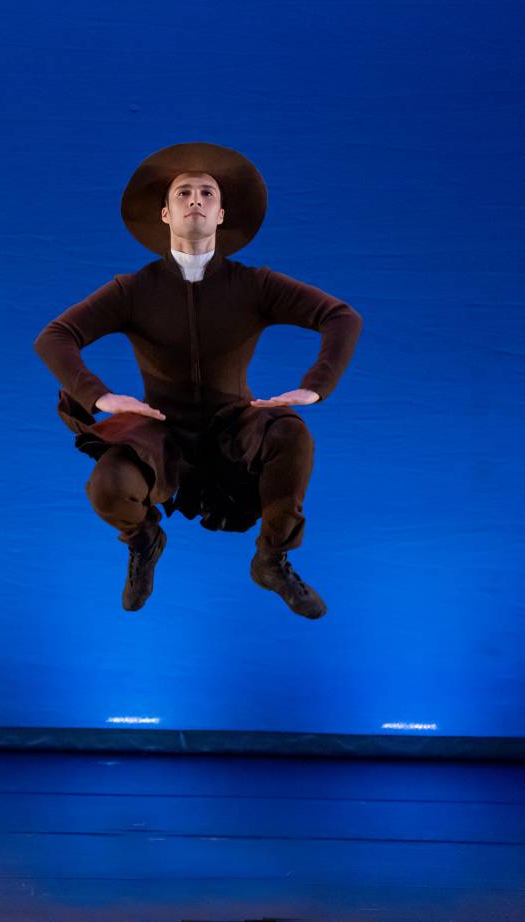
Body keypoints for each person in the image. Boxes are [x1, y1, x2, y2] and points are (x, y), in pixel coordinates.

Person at [34, 143, 362, 618]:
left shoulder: (254, 285)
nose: (195, 199)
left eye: (207, 193)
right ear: (165, 213)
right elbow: (55, 336)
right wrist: (100, 396)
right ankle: (144, 540)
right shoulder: (133, 290)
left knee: (292, 434)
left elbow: (340, 316)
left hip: (236, 429)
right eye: (183, 192)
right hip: (160, 429)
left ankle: (272, 559)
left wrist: (316, 384)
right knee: (107, 484)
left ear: (221, 213)